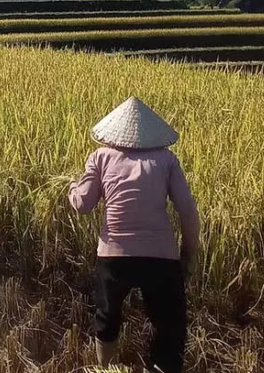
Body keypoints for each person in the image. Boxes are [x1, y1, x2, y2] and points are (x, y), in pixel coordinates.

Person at [68, 97, 200, 373]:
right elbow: (187, 210)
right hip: (161, 257)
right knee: (169, 324)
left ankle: (106, 369)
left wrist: (72, 188)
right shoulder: (166, 159)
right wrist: (188, 253)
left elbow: (83, 204)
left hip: (114, 255)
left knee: (107, 316)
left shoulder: (101, 156)